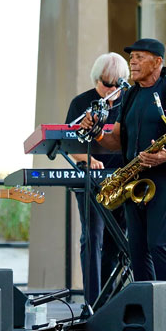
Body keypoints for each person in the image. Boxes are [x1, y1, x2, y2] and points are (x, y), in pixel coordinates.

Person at [80, 38, 166, 331]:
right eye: (131, 57)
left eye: (139, 57)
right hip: (134, 180)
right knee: (137, 250)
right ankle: (149, 315)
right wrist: (96, 131)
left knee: (158, 246)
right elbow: (117, 140)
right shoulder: (131, 95)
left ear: (157, 62)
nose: (132, 62)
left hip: (163, 178)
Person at [64, 52, 128, 306]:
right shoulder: (82, 103)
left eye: (117, 84)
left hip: (122, 180)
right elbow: (68, 143)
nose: (111, 89)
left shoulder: (128, 103)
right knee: (92, 238)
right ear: (96, 79)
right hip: (91, 180)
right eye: (106, 83)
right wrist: (88, 159)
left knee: (117, 241)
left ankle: (108, 301)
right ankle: (92, 302)